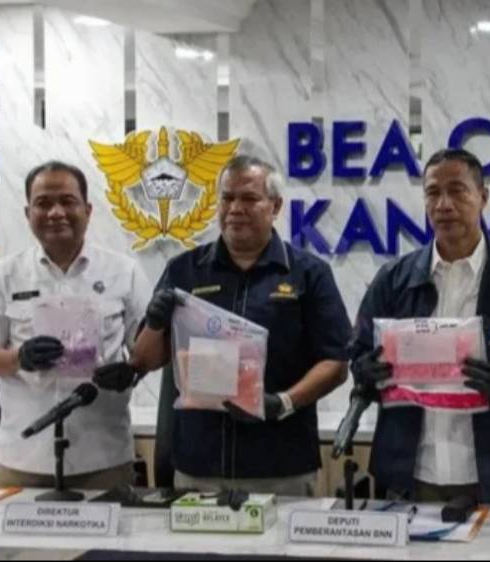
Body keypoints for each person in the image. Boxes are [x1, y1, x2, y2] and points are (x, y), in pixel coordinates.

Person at [107, 155, 351, 496]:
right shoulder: (184, 270)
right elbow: (144, 360)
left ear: (275, 206)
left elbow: (336, 362)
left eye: (249, 198)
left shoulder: (309, 274)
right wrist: (156, 323)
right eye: (227, 198)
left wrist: (283, 402)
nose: (236, 208)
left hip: (281, 463)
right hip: (199, 465)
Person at [350, 148, 490, 504]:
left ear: (483, 197)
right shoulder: (393, 279)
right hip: (410, 477)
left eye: (457, 191)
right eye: (433, 193)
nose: (443, 205)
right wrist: (365, 370)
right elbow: (359, 354)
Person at [0, 161, 150, 489]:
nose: (55, 212)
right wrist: (19, 358)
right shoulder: (3, 275)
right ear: (28, 214)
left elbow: (148, 350)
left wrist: (133, 369)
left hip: (104, 457)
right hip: (24, 460)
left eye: (67, 201)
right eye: (43, 203)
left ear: (88, 210)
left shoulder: (125, 272)